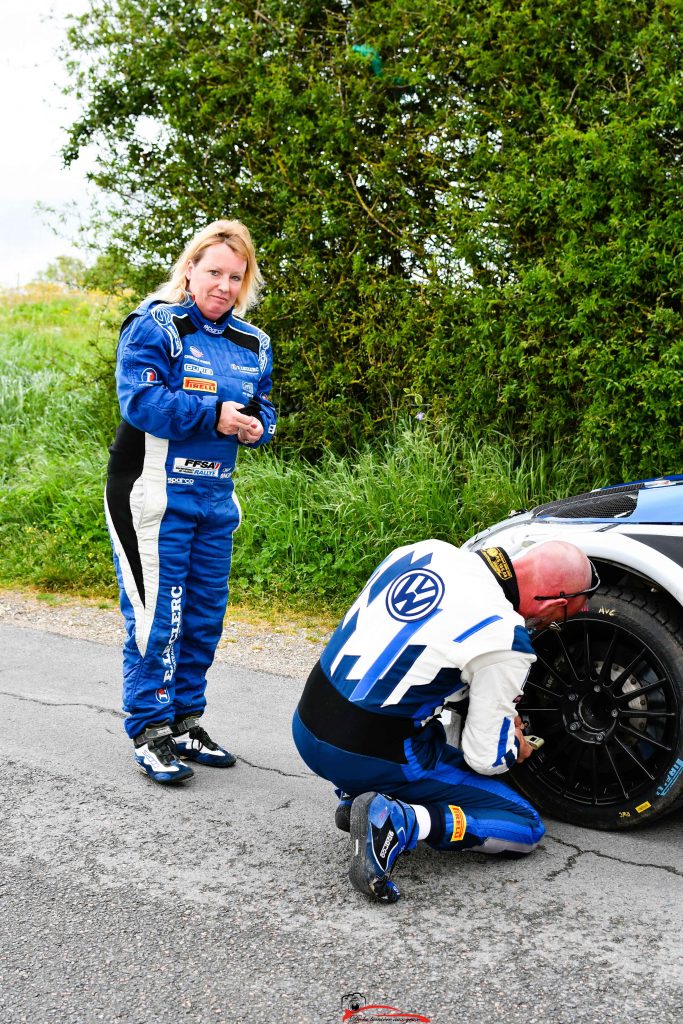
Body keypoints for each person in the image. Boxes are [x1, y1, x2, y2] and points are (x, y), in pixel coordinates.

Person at [292, 538, 598, 902]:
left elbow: (421, 662)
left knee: (420, 722)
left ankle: (353, 792)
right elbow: (484, 759)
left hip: (307, 723)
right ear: (556, 604)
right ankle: (398, 819)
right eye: (564, 617)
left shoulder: (423, 551)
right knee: (524, 826)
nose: (556, 623)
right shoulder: (506, 636)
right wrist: (514, 745)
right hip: (367, 753)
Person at [105, 219, 276, 785]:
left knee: (203, 616)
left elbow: (263, 405)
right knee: (159, 617)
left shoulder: (253, 343)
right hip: (150, 493)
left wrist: (258, 426)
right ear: (189, 270)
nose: (224, 285)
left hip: (214, 495)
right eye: (213, 272)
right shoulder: (156, 325)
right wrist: (212, 415)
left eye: (235, 275)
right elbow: (141, 401)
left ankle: (184, 720)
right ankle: (149, 728)